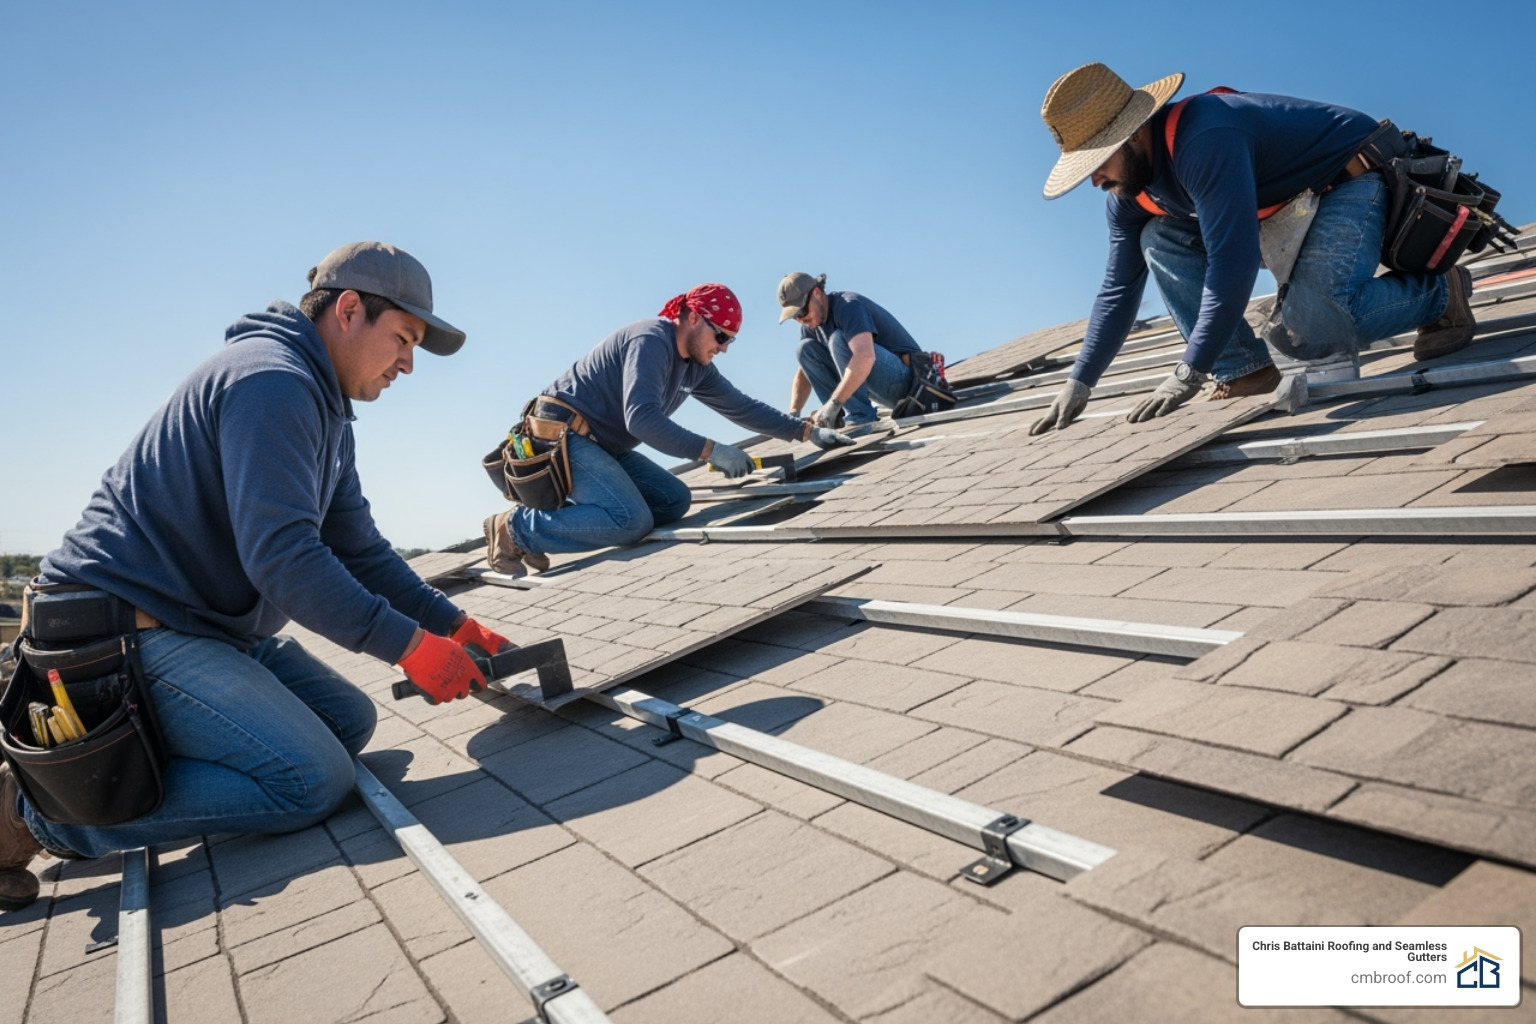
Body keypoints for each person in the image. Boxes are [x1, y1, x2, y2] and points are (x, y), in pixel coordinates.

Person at [0, 242, 506, 910]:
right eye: (403, 338)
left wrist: (450, 622)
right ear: (349, 310)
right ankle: (41, 810)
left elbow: (360, 550)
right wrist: (409, 648)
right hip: (118, 634)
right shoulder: (271, 381)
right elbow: (284, 559)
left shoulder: (324, 410)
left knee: (347, 721)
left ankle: (138, 763)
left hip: (193, 628)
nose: (408, 363)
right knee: (310, 779)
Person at [1030, 63, 1476, 434]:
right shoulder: (1130, 196)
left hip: (1351, 178)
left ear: (1131, 136)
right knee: (1157, 237)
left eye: (1097, 162)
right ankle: (1242, 368)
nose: (1094, 180)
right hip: (1288, 207)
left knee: (1312, 328)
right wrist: (1081, 379)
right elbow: (1119, 287)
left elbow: (1233, 261)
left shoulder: (1203, 140)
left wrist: (1191, 368)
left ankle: (1440, 295)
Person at [483, 283, 853, 574]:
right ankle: (516, 529)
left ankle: (551, 528)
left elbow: (741, 406)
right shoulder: (651, 340)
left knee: (674, 500)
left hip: (600, 445)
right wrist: (711, 450)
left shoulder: (696, 366)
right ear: (693, 318)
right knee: (631, 521)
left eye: (730, 340)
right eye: (720, 336)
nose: (724, 348)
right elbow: (641, 419)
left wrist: (806, 432)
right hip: (562, 436)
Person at [779, 273, 924, 427]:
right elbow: (805, 370)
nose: (801, 320)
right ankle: (834, 419)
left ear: (816, 293)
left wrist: (833, 403)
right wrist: (794, 413)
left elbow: (865, 357)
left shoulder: (849, 306)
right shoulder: (812, 325)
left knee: (838, 340)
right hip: (881, 389)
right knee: (805, 349)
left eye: (802, 311)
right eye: (795, 317)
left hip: (909, 385)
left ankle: (860, 415)